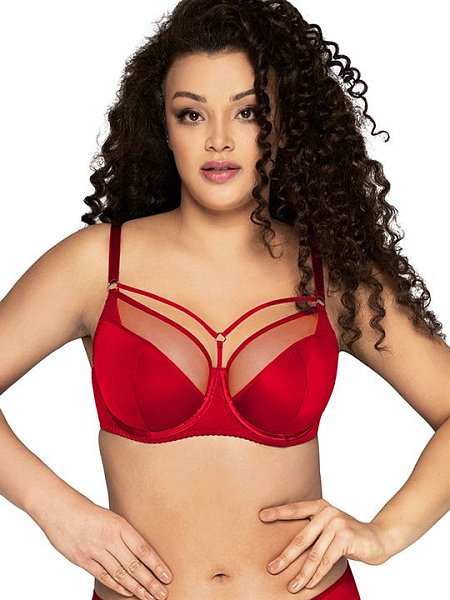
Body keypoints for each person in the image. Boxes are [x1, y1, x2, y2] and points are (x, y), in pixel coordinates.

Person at [1, 0, 449, 599]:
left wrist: (385, 533)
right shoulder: (96, 266)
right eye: (191, 114)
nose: (218, 140)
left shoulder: (330, 274)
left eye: (247, 112)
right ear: (163, 126)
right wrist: (57, 510)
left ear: (283, 125)